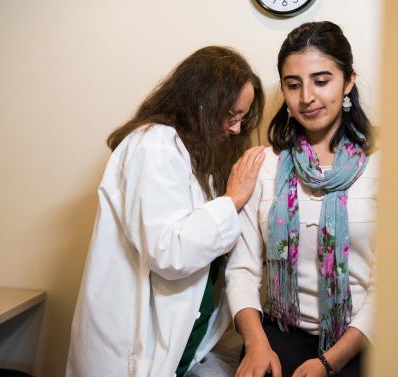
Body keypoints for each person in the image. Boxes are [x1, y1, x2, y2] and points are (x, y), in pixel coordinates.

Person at [66, 46, 265, 377]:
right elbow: (169, 252)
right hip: (132, 351)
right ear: (202, 102)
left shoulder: (196, 154)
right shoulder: (154, 145)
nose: (235, 129)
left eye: (241, 119)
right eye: (232, 115)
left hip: (179, 347)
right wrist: (233, 200)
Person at [226, 21, 378, 377]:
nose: (306, 96)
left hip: (357, 339)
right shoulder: (263, 166)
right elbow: (242, 269)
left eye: (321, 81)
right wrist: (257, 344)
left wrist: (329, 362)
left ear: (348, 81)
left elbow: (387, 287)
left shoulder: (381, 169)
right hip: (278, 334)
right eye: (293, 85)